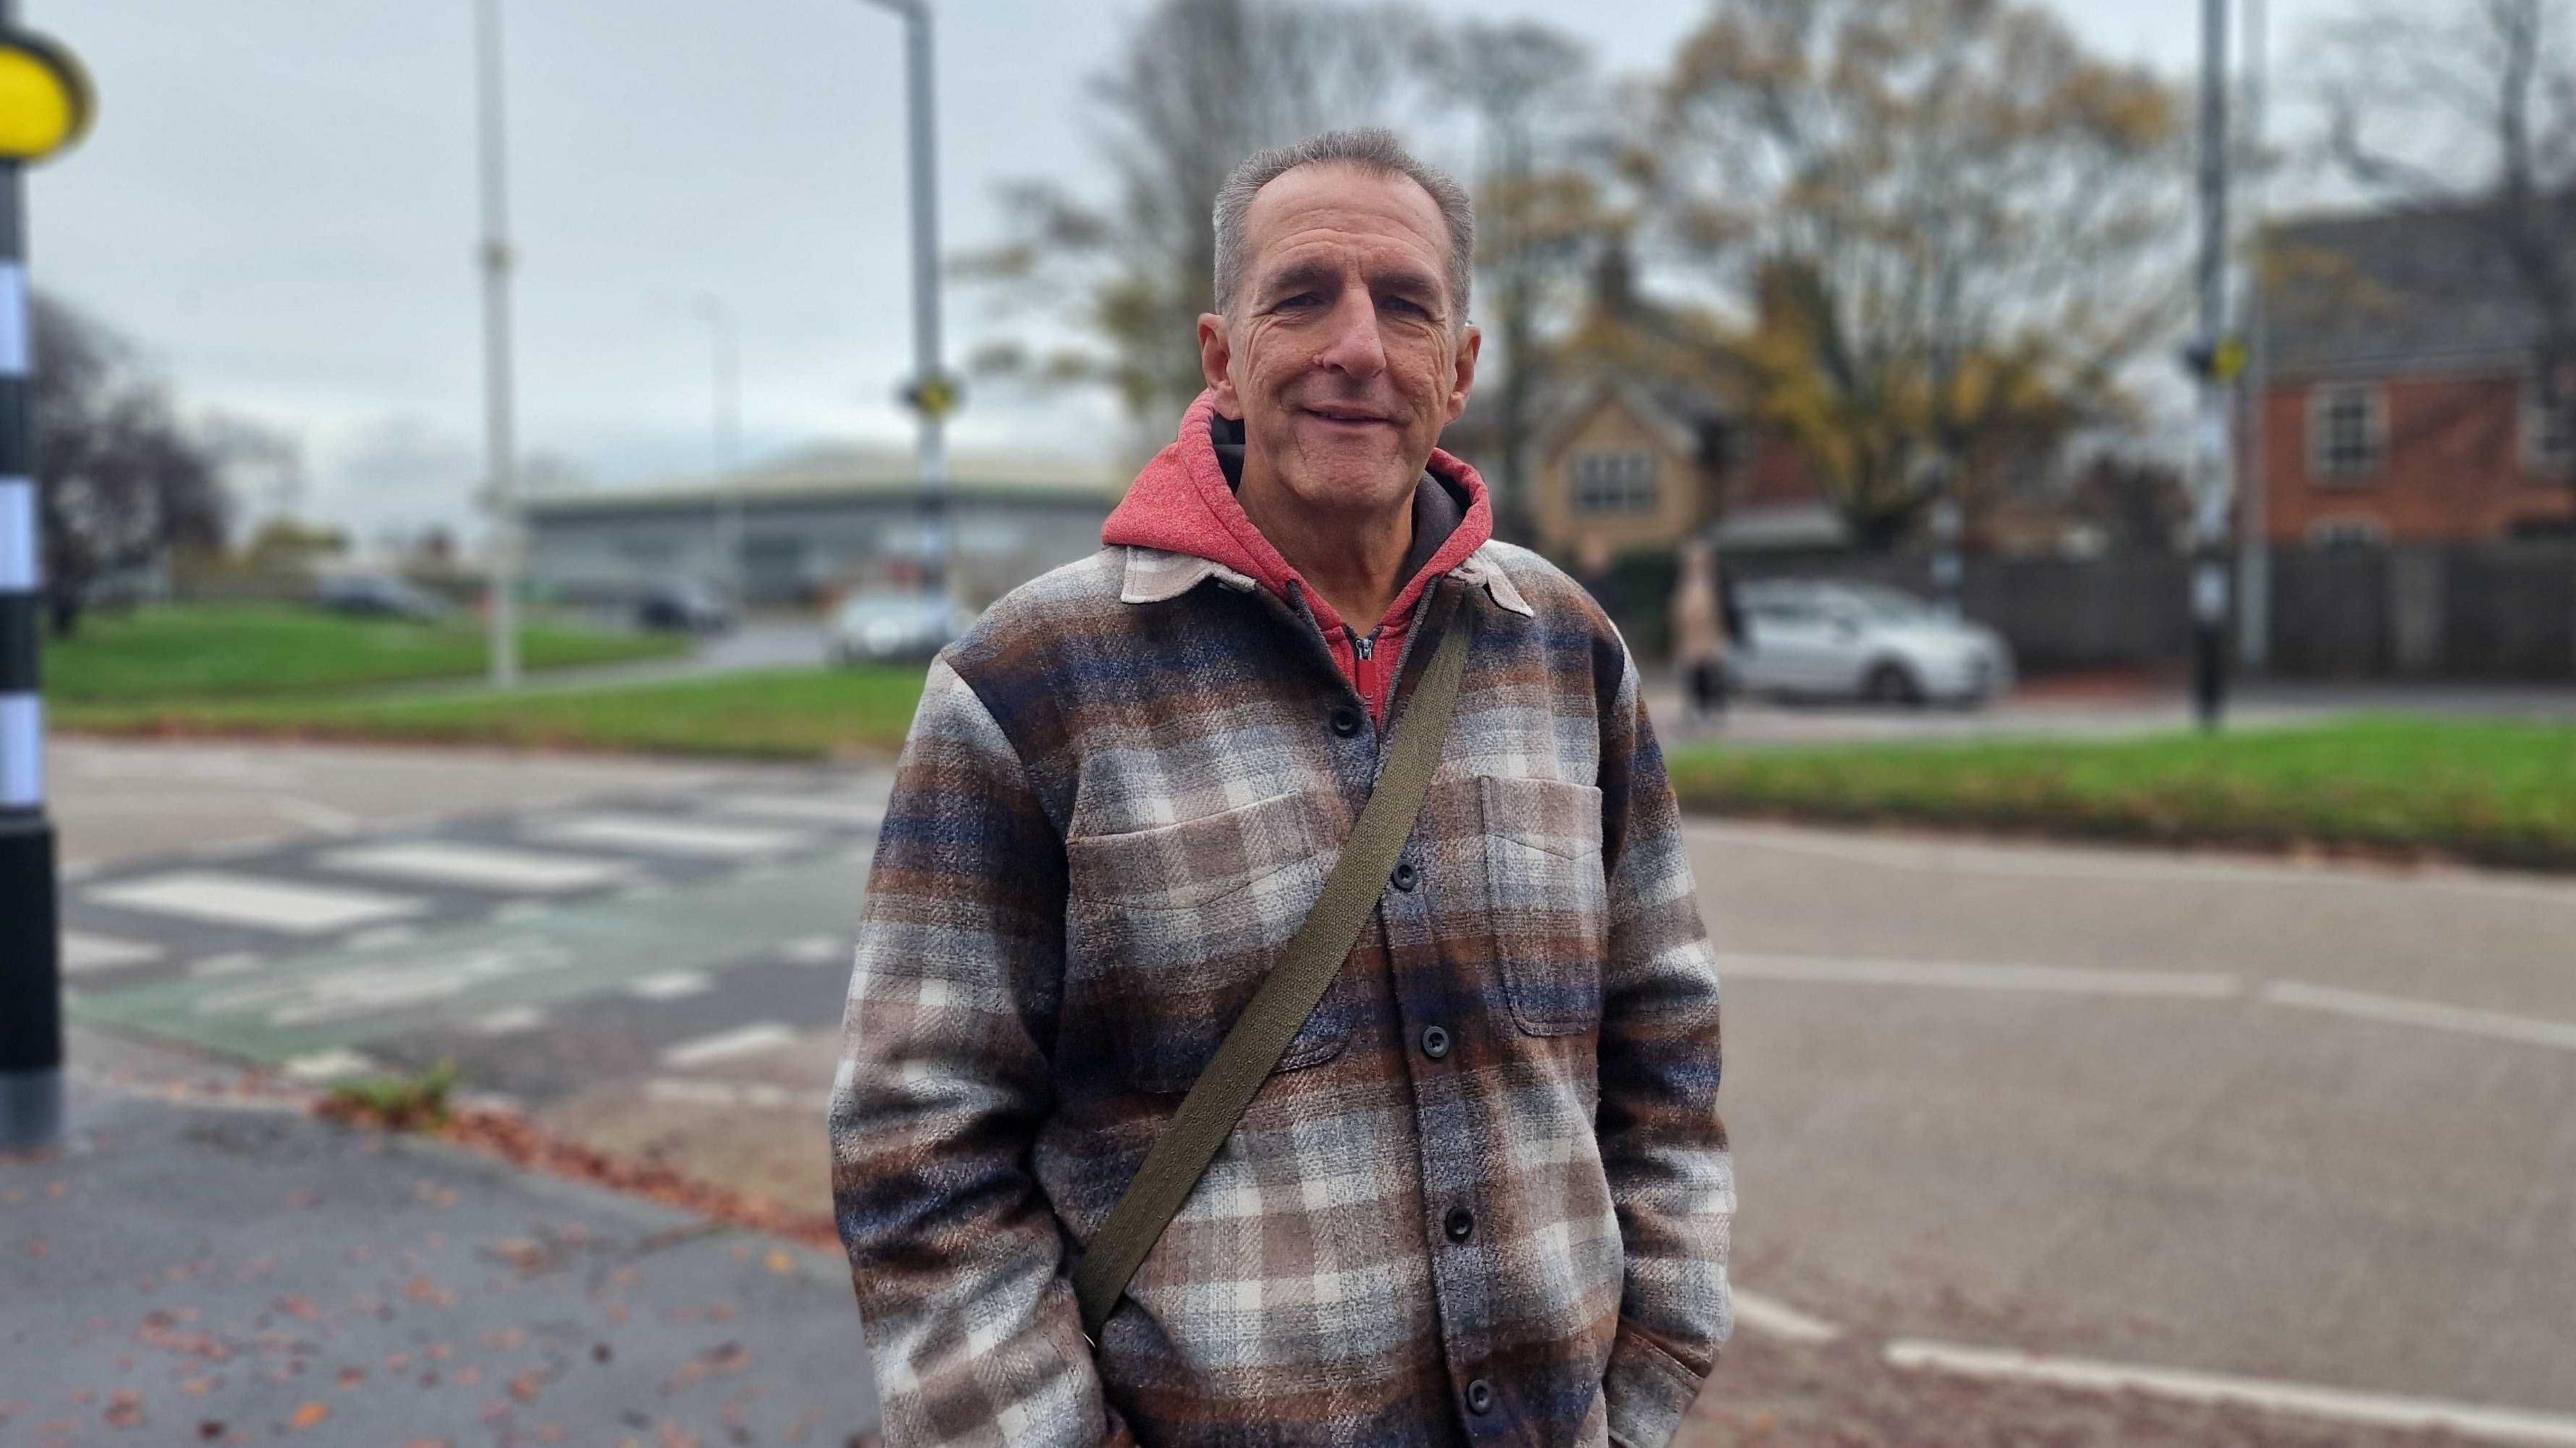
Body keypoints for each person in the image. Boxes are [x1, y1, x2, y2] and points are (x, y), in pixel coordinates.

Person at [829, 128, 1733, 1448]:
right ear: (1222, 356)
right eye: (1302, 294)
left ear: (1461, 368)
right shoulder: (1027, 680)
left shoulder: (1567, 647)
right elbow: (921, 1145)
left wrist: (1646, 1371)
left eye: (1405, 303)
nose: (1356, 344)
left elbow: (1667, 1053)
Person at [1671, 538, 1729, 720]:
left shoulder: (1716, 584)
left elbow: (1722, 611)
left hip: (1709, 636)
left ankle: (1713, 710)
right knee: (1691, 675)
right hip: (1690, 637)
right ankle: (1694, 710)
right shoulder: (1683, 584)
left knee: (1711, 674)